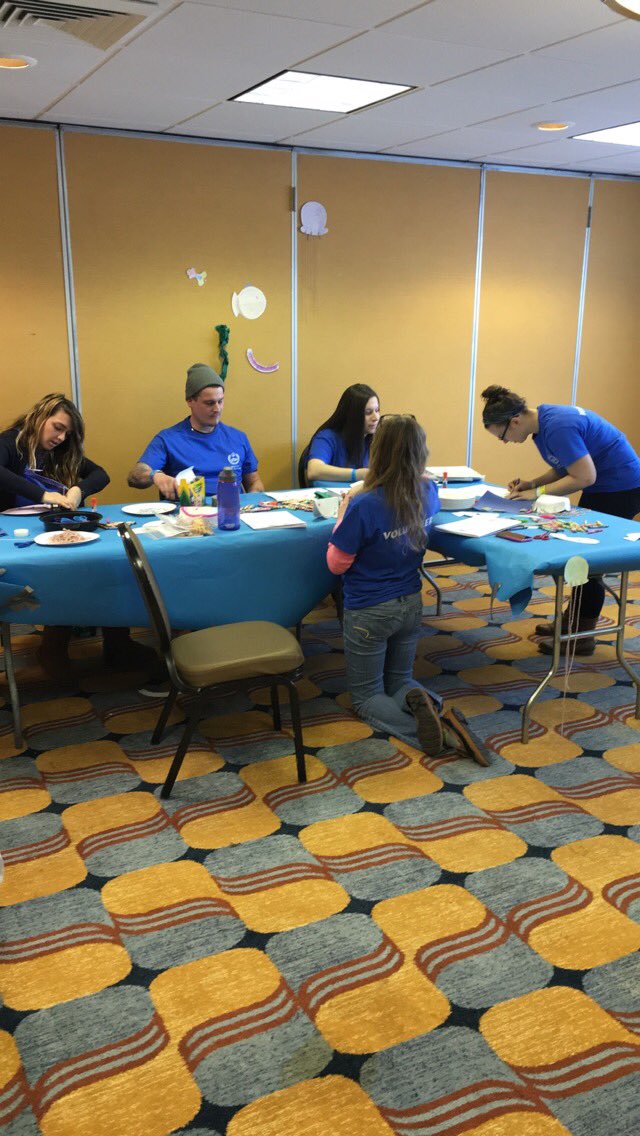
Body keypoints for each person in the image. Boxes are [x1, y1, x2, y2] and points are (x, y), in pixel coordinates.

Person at [327, 414, 489, 763]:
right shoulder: (428, 491)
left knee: (368, 698)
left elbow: (336, 564)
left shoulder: (364, 505)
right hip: (411, 603)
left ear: (379, 452)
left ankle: (434, 732)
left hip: (370, 610)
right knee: (400, 682)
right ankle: (444, 714)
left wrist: (343, 509)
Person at [0, 393, 158, 677]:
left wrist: (78, 490)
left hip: (47, 529)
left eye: (67, 433)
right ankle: (54, 645)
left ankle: (115, 643)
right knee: (61, 571)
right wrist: (43, 494)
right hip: (12, 535)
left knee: (102, 562)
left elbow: (101, 474)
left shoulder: (60, 450)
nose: (61, 437)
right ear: (40, 417)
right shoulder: (11, 442)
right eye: (58, 427)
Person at [481, 384, 640, 655]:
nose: (505, 442)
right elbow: (565, 467)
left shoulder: (557, 426)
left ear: (515, 421)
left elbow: (584, 476)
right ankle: (572, 621)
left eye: (502, 436)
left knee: (587, 563)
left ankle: (583, 636)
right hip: (603, 485)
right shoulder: (541, 427)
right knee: (578, 558)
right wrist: (533, 484)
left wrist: (536, 493)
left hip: (620, 487)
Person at [128, 364, 264, 498]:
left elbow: (254, 482)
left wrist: (253, 499)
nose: (217, 409)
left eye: (220, 401)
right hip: (188, 510)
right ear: (190, 401)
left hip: (232, 509)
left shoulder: (238, 438)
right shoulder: (168, 439)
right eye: (209, 403)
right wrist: (155, 475)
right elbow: (135, 475)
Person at [305, 383, 380, 485]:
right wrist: (356, 474)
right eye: (368, 412)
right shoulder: (327, 437)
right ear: (352, 415)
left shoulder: (377, 439)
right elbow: (313, 471)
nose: (376, 417)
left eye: (377, 410)